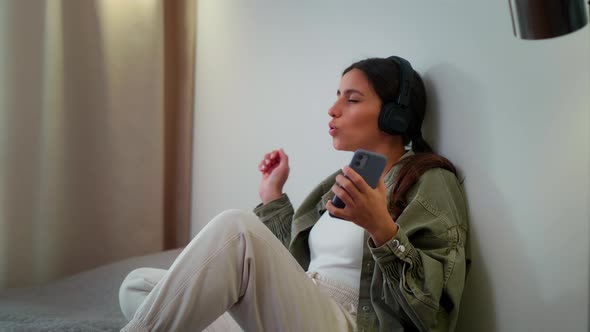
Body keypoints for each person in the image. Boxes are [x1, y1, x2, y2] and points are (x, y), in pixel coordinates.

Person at [118, 56, 470, 332]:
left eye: (352, 99)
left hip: (351, 321)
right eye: (337, 97)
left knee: (237, 228)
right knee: (138, 286)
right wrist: (273, 195)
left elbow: (431, 313)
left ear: (394, 116)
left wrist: (383, 230)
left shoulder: (429, 179)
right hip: (305, 310)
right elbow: (283, 266)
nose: (333, 110)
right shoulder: (342, 180)